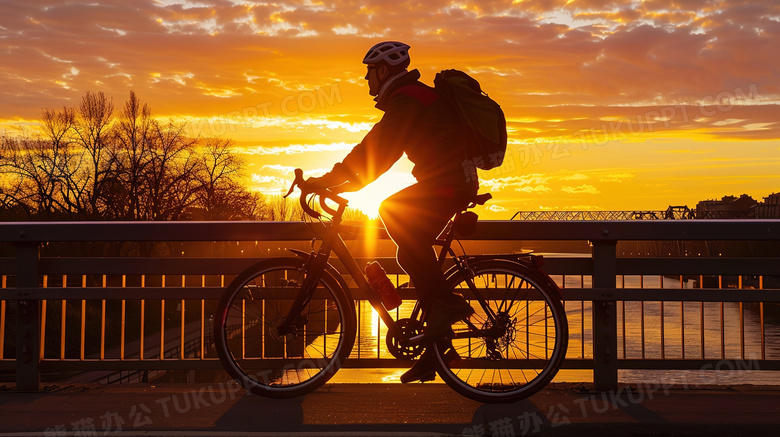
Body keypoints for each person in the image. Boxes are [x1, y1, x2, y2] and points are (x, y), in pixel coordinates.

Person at [302, 41, 477, 383]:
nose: (367, 80)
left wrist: (332, 180)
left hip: (449, 182)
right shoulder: (411, 97)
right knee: (410, 253)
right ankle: (437, 349)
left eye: (369, 72)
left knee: (392, 209)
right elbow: (379, 150)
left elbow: (379, 148)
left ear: (383, 71)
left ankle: (447, 305)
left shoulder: (409, 98)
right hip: (450, 180)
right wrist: (345, 182)